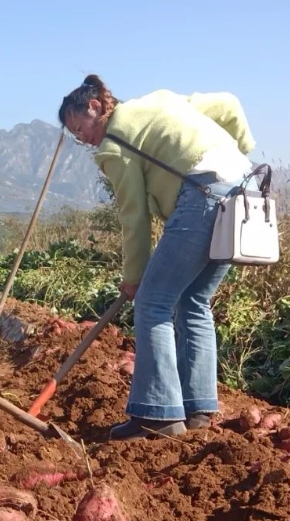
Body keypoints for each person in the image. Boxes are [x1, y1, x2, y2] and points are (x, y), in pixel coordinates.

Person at [58, 75, 256, 441]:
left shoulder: (115, 141)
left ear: (96, 107)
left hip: (203, 196)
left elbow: (134, 216)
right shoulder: (162, 100)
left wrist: (134, 278)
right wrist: (239, 155)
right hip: (243, 192)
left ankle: (159, 415)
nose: (81, 137)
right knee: (194, 300)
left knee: (153, 303)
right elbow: (228, 103)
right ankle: (197, 408)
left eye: (79, 126)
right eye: (73, 134)